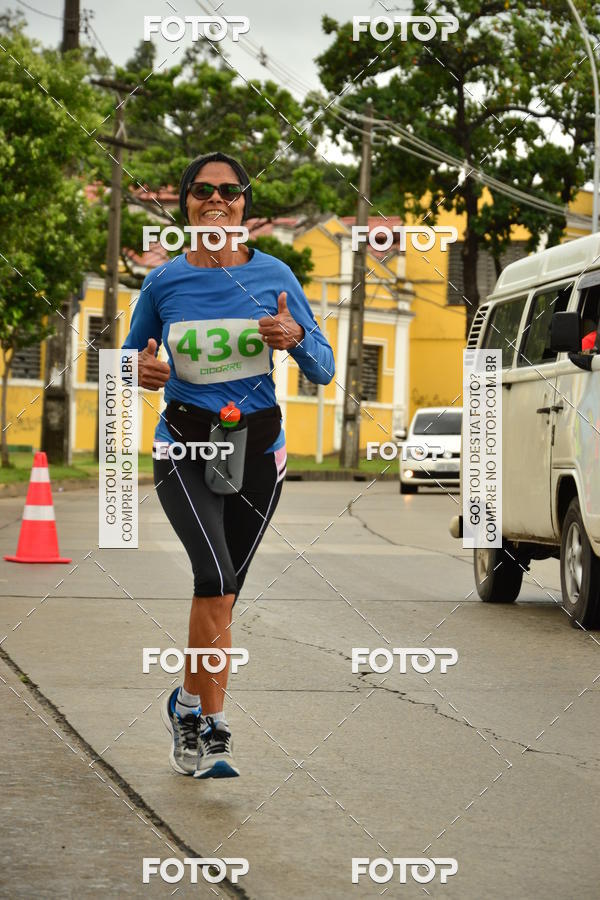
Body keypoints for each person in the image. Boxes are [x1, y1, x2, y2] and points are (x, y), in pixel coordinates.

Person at [122, 151, 335, 779]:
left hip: (258, 450)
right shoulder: (163, 283)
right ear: (185, 202)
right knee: (213, 577)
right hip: (184, 445)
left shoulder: (275, 274)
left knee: (223, 594)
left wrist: (294, 339)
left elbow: (322, 368)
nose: (216, 200)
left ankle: (187, 702)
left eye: (230, 191)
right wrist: (140, 370)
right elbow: (126, 363)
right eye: (202, 190)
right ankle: (207, 727)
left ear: (246, 205)